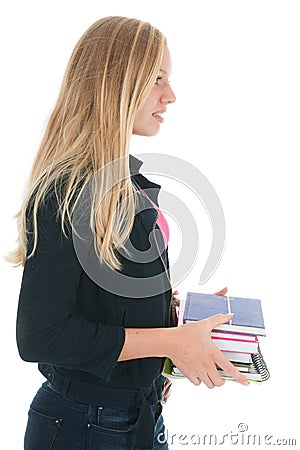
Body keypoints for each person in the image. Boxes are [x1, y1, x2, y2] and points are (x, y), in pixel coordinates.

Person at [10, 16, 248, 450]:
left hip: (140, 417)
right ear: (116, 83)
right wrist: (171, 341)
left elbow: (103, 303)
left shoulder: (124, 183)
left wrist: (178, 321)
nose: (170, 96)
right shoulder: (64, 190)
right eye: (157, 79)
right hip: (82, 427)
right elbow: (41, 335)